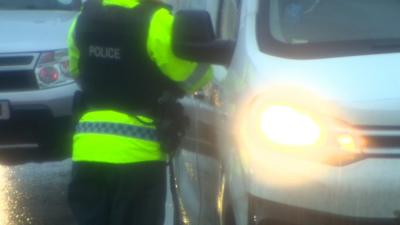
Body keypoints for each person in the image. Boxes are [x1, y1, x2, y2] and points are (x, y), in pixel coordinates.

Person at [66, 0, 212, 224]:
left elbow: (77, 72)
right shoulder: (157, 19)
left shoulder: (83, 18)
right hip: (140, 156)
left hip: (87, 152)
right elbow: (193, 77)